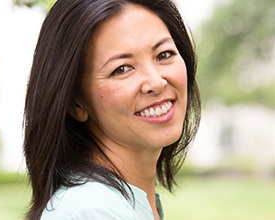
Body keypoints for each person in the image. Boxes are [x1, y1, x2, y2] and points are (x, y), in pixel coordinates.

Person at [23, 0, 201, 219]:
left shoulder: (124, 203)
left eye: (163, 54)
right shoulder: (92, 210)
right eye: (122, 69)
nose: (156, 82)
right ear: (75, 103)